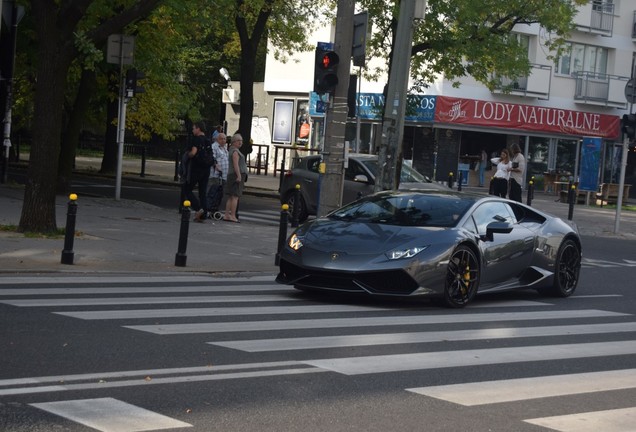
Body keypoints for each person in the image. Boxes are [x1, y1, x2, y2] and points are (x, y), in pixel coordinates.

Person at [183, 121, 210, 222]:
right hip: (206, 169)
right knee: (202, 192)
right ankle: (204, 214)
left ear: (198, 129)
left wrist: (188, 155)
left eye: (194, 128)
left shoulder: (196, 139)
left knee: (187, 189)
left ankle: (199, 209)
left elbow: (193, 153)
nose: (193, 130)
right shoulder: (208, 140)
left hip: (196, 168)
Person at [223, 133, 247, 223]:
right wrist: (239, 175)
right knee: (235, 196)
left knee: (230, 196)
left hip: (232, 175)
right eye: (238, 141)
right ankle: (232, 215)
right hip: (235, 175)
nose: (240, 142)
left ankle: (226, 215)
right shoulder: (235, 152)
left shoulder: (233, 150)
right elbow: (236, 164)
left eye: (241, 141)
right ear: (233, 142)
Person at [206, 132, 228, 218]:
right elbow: (212, 157)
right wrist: (216, 165)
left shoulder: (224, 148)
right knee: (212, 193)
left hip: (223, 176)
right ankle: (208, 210)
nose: (223, 140)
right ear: (217, 139)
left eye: (224, 139)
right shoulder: (214, 147)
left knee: (219, 194)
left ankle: (214, 210)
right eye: (221, 139)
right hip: (215, 175)